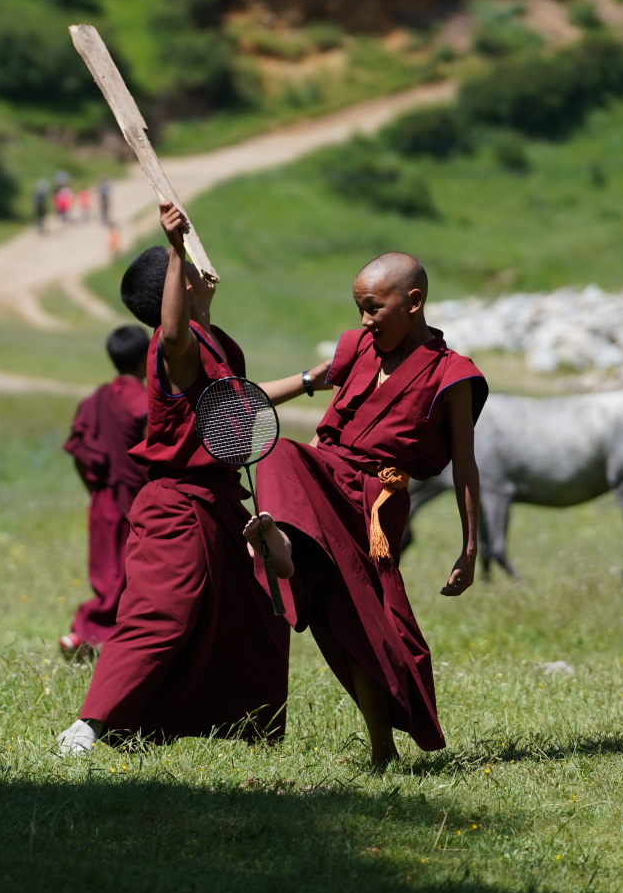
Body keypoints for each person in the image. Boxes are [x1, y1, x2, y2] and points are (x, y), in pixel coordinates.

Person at [58, 204, 291, 753]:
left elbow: (240, 394)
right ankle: (88, 726)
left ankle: (236, 725)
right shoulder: (172, 347)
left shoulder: (209, 341)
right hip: (176, 505)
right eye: (183, 275)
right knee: (161, 614)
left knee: (254, 610)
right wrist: (176, 248)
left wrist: (312, 379)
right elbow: (172, 332)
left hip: (218, 504)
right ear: (173, 285)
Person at [253, 253, 487, 772]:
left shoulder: (454, 376)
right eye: (358, 308)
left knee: (360, 618)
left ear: (414, 302)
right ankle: (285, 546)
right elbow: (306, 383)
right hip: (323, 480)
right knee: (280, 449)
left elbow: (466, 468)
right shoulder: (359, 347)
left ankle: (384, 747)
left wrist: (470, 548)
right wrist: (234, 400)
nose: (363, 321)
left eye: (373, 308)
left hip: (374, 505)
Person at [58, 323, 153, 660]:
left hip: (102, 498)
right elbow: (153, 451)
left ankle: (86, 639)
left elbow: (79, 450)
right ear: (147, 358)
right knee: (125, 578)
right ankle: (86, 633)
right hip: (137, 501)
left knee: (108, 574)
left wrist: (94, 491)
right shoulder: (143, 402)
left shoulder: (95, 399)